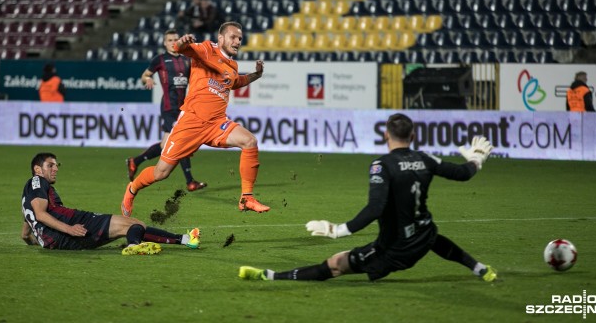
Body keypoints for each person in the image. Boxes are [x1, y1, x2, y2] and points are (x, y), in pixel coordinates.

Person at [238, 113, 498, 283]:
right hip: (423, 235)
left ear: (386, 134)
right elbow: (464, 173)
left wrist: (337, 230)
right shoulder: (426, 158)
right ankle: (480, 269)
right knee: (431, 236)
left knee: (336, 264)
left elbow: (376, 208)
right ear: (413, 136)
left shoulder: (381, 165)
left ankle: (269, 276)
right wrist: (477, 158)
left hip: (394, 248)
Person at [121, 21, 270, 217]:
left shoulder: (232, 64)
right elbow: (181, 49)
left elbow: (236, 82)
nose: (237, 41)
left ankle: (246, 198)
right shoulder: (206, 49)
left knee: (249, 141)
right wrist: (182, 43)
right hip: (190, 123)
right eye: (233, 37)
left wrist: (256, 75)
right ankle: (132, 189)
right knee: (161, 173)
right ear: (221, 38)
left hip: (216, 123)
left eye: (240, 38)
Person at [21, 152, 200, 254]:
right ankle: (134, 246)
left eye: (56, 165)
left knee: (132, 226)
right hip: (71, 226)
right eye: (50, 165)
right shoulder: (37, 181)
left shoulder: (29, 192)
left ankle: (184, 240)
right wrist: (70, 229)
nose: (56, 168)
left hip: (59, 240)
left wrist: (33, 239)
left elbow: (26, 225)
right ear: (37, 169)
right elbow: (40, 214)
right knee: (134, 225)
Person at [126, 29, 207, 193]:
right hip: (169, 108)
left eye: (175, 39)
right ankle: (190, 181)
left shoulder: (186, 60)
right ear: (165, 42)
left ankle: (135, 160)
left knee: (165, 144)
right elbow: (144, 75)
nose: (173, 42)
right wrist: (147, 79)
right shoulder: (160, 60)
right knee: (181, 140)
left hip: (183, 108)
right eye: (169, 40)